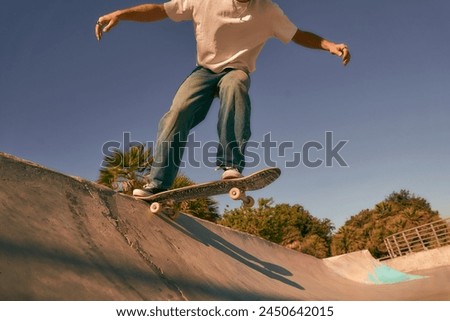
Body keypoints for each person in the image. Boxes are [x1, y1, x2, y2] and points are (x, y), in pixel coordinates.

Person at [95, 0, 351, 197]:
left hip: (236, 69)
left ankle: (231, 164)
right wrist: (122, 14)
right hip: (204, 71)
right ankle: (158, 183)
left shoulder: (267, 10)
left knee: (236, 84)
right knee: (177, 113)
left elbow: (297, 34)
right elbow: (161, 10)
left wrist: (328, 45)